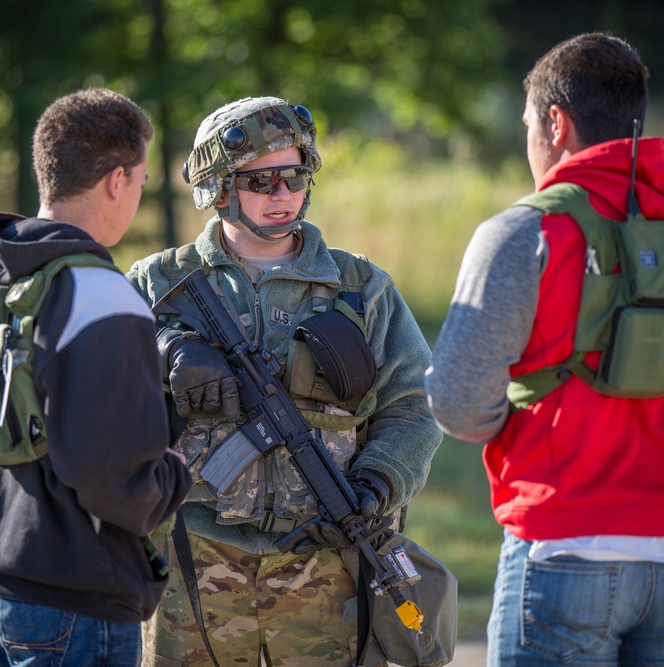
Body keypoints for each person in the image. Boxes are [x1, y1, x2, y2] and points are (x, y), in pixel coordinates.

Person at [426, 33, 664, 667]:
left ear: (555, 123)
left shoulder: (519, 234)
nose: (529, 140)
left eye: (528, 124)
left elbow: (455, 404)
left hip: (561, 552)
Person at [126, 96, 443, 666]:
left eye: (294, 176)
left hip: (325, 565)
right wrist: (165, 348)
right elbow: (104, 400)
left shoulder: (359, 286)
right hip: (194, 556)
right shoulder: (158, 283)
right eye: (261, 180)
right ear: (219, 188)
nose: (282, 195)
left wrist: (378, 482)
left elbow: (414, 406)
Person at [0, 88, 192, 666]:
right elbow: (115, 479)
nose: (138, 196)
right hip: (76, 603)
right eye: (143, 183)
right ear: (117, 180)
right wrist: (176, 477)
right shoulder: (103, 295)